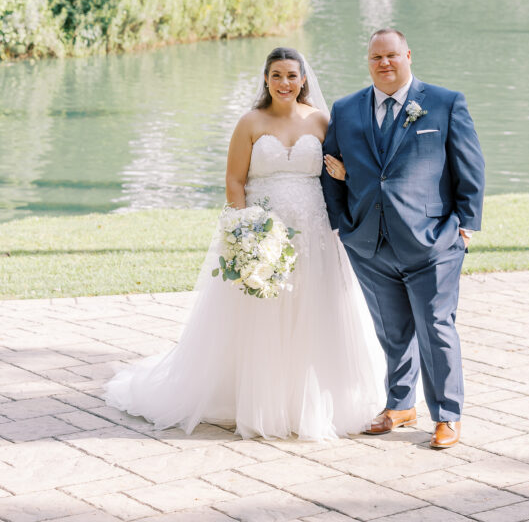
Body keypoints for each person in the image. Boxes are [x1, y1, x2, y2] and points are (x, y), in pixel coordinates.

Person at [105, 47, 384, 440]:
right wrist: (249, 232)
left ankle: (308, 403)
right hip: (263, 231)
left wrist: (344, 175)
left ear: (303, 79)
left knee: (314, 311)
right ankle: (253, 400)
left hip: (315, 233)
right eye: (276, 76)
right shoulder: (250, 122)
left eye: (291, 75)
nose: (284, 83)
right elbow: (235, 181)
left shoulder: (322, 121)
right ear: (266, 80)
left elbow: (340, 170)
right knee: (260, 317)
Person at [322, 28, 485, 449]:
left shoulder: (445, 103)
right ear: (368, 61)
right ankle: (400, 404)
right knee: (392, 331)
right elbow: (331, 169)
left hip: (433, 242)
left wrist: (465, 225)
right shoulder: (346, 109)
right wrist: (345, 225)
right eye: (376, 57)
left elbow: (470, 166)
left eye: (392, 55)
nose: (384, 64)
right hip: (370, 244)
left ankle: (447, 415)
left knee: (435, 326)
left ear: (408, 55)